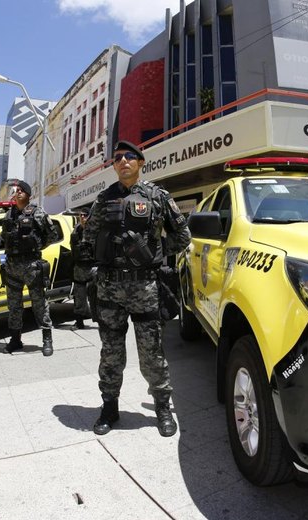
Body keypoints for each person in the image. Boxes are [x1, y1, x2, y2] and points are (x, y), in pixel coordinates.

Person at [79, 140, 191, 437]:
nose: (123, 161)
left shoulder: (157, 196)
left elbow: (183, 235)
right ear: (114, 166)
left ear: (141, 163)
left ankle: (163, 407)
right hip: (110, 289)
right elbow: (88, 239)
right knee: (111, 351)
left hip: (144, 287)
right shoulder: (103, 200)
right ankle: (109, 407)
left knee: (151, 352)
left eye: (130, 156)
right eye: (117, 158)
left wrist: (155, 250)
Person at [0, 179, 59, 356]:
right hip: (12, 266)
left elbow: (52, 234)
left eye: (21, 190)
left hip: (31, 266)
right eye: (15, 190)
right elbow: (3, 237)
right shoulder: (8, 215)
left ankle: (47, 340)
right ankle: (15, 339)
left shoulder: (37, 212)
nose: (17, 193)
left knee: (39, 304)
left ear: (28, 194)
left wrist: (36, 247)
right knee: (14, 305)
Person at [70, 210, 92, 329]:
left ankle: (102, 321)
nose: (83, 217)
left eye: (85, 215)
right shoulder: (76, 230)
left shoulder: (94, 229)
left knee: (96, 295)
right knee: (79, 295)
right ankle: (79, 321)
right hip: (79, 266)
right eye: (81, 215)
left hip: (93, 266)